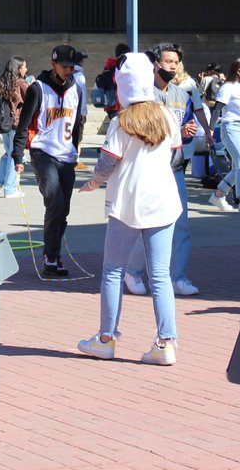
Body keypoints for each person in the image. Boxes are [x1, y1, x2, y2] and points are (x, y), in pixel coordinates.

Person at [78, 52, 182, 366]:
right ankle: (166, 343)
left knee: (113, 270)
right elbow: (176, 156)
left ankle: (106, 339)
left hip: (127, 201)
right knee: (160, 274)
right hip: (163, 199)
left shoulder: (121, 121)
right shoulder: (167, 116)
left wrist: (93, 183)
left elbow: (106, 163)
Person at [125, 43, 201, 297]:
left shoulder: (182, 95)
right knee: (145, 224)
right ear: (156, 64)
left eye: (176, 62)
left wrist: (188, 133)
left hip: (174, 167)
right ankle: (133, 271)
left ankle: (178, 277)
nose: (173, 66)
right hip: (149, 169)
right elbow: (143, 132)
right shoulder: (144, 95)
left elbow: (187, 129)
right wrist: (177, 132)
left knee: (180, 224)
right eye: (168, 61)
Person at [12, 44, 85, 278]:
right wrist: (17, 155)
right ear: (53, 64)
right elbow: (23, 124)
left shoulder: (76, 89)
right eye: (64, 66)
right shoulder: (38, 89)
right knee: (54, 202)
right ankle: (50, 257)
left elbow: (77, 124)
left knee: (64, 209)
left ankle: (54, 254)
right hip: (43, 152)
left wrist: (76, 149)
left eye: (72, 67)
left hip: (67, 155)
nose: (69, 70)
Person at [207, 57, 240, 215]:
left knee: (239, 166)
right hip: (232, 127)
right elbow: (217, 109)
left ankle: (219, 194)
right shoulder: (228, 87)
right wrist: (210, 130)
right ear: (238, 71)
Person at [0, 56, 28, 199]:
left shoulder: (2, 82)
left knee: (8, 153)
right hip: (16, 124)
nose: (26, 69)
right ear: (18, 69)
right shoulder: (21, 84)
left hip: (4, 124)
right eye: (24, 66)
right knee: (15, 156)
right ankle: (10, 188)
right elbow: (32, 98)